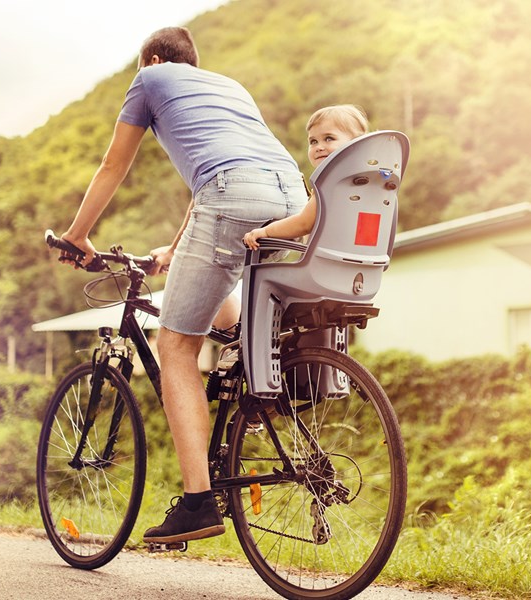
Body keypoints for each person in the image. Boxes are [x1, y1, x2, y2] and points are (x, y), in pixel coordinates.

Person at [58, 26, 307, 545]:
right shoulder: (228, 87)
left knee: (175, 345)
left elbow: (113, 164)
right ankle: (253, 389)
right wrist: (174, 250)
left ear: (152, 58)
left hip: (231, 196)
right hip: (292, 198)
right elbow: (223, 177)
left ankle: (198, 502)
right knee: (220, 288)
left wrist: (78, 235)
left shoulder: (149, 77)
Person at [242, 104, 369, 250]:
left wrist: (265, 231)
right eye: (313, 141)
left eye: (329, 138)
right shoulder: (368, 182)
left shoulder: (330, 183)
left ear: (356, 144)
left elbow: (303, 223)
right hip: (361, 258)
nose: (319, 147)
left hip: (325, 262)